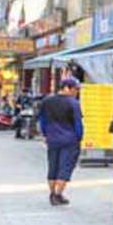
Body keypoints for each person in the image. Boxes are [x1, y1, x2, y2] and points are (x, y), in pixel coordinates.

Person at [38, 78, 84, 206]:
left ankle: (52, 193)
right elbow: (78, 124)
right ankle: (57, 195)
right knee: (65, 167)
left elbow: (42, 121)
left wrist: (45, 134)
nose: (76, 92)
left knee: (53, 166)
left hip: (52, 139)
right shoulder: (73, 103)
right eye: (75, 89)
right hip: (69, 140)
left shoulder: (46, 101)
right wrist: (79, 137)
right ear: (66, 88)